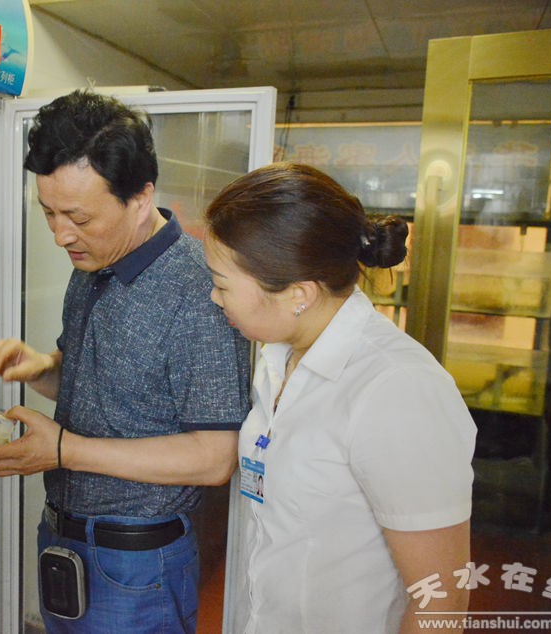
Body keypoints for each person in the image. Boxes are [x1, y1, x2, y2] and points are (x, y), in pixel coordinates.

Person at [0, 90, 251, 633]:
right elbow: (109, 390)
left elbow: (215, 457)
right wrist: (41, 366)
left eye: (78, 216)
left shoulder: (198, 290)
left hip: (137, 562)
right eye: (48, 212)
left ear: (141, 199)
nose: (61, 235)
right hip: (62, 538)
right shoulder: (93, 263)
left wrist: (63, 450)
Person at [202, 162, 476, 634]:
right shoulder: (277, 357)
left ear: (299, 293)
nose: (213, 297)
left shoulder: (396, 390)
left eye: (222, 284)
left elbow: (442, 599)